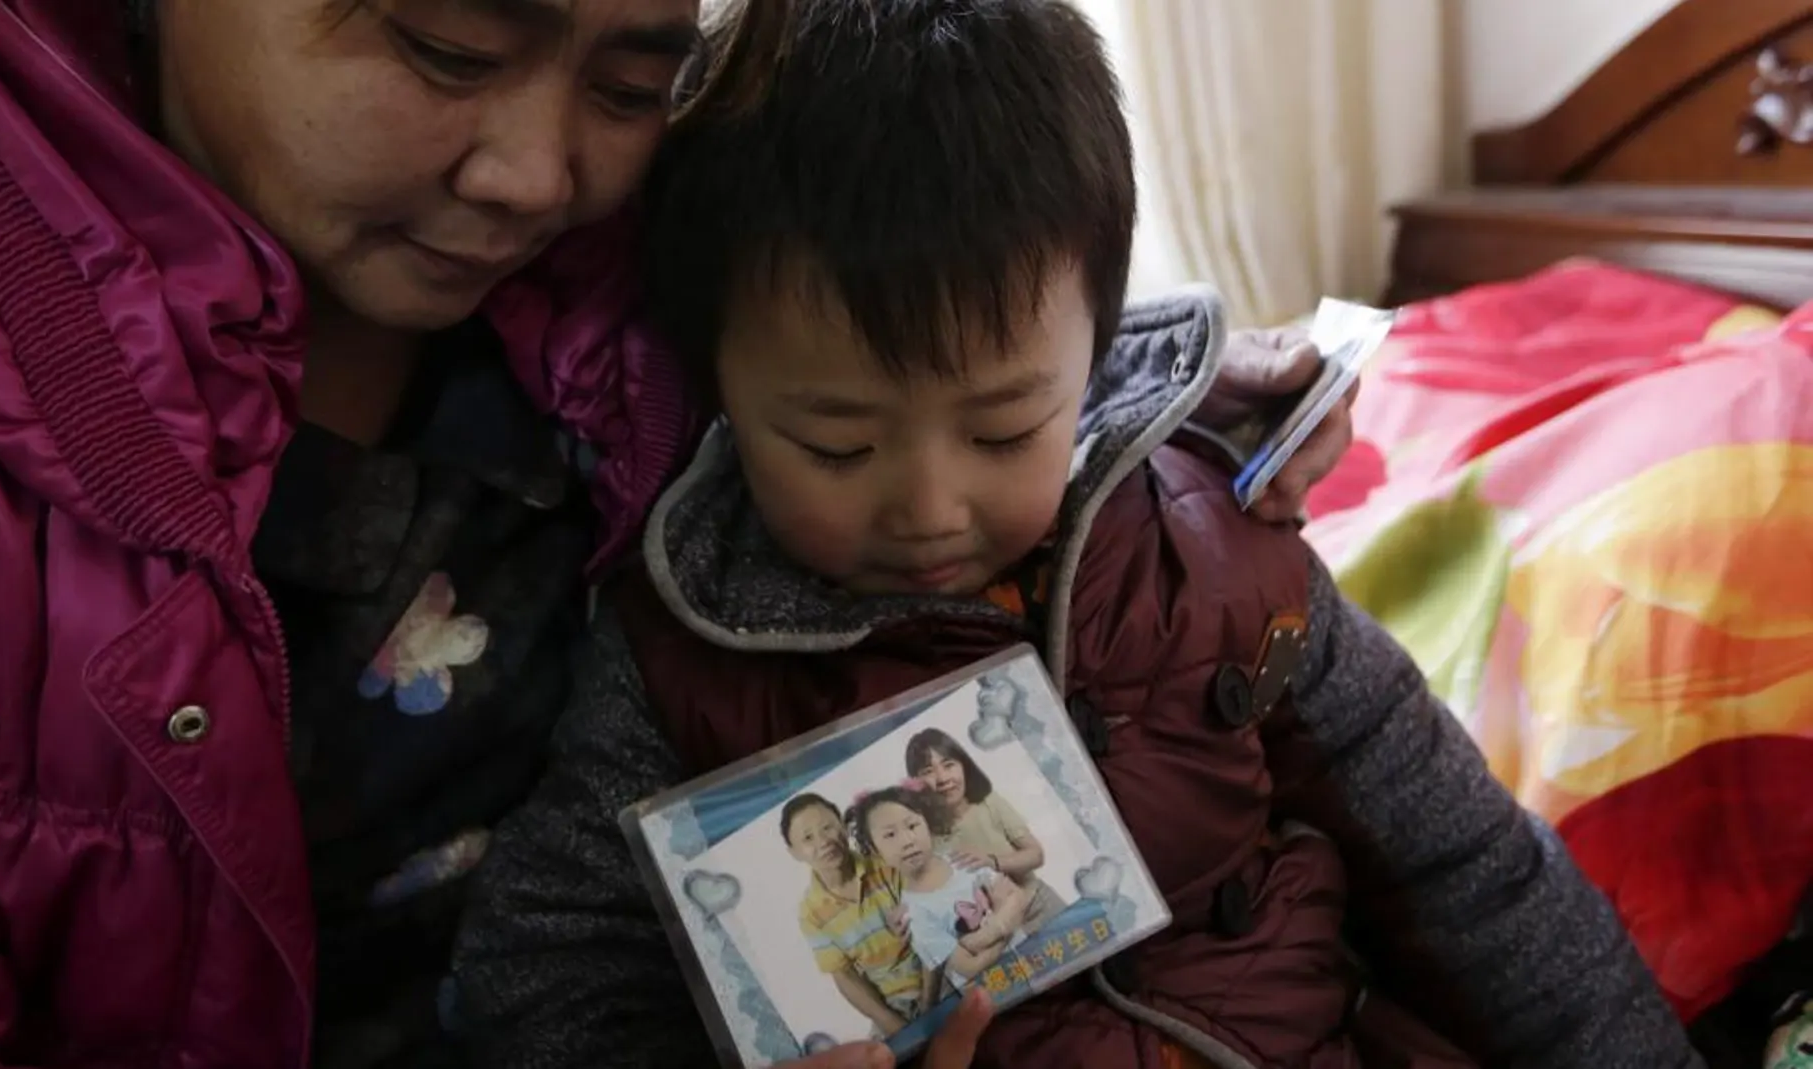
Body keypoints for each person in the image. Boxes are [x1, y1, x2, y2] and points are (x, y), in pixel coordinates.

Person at [0, 0, 1354, 1066]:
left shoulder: (644, 249)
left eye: (633, 75)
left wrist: (1126, 403)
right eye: (445, 48)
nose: (543, 177)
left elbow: (909, 283)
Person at [448, 1, 1705, 1068]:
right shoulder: (674, 653)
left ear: (1097, 359)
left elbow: (1467, 864)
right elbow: (543, 979)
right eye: (835, 446)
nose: (930, 509)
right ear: (714, 388)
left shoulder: (1211, 547)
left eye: (1003, 430)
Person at [849, 784, 1036, 1003]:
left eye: (912, 825)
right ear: (873, 850)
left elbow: (1019, 898)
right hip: (997, 997)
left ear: (927, 824)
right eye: (890, 835)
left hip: (1034, 963)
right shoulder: (914, 913)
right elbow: (969, 966)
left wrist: (981, 938)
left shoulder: (962, 862)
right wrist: (1004, 923)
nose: (908, 841)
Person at [781, 793, 926, 1036]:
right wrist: (893, 1025)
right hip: (890, 1003)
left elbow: (930, 918)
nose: (823, 841)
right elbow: (844, 975)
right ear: (795, 852)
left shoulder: (884, 862)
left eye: (827, 828)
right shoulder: (811, 914)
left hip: (935, 976)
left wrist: (930, 1004)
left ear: (842, 825)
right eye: (808, 837)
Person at [904, 727, 1066, 933]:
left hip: (1039, 905)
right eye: (928, 771)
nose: (942, 778)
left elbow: (1036, 855)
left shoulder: (988, 802)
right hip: (998, 932)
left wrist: (993, 861)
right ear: (915, 783)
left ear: (964, 766)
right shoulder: (922, 836)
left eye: (948, 765)